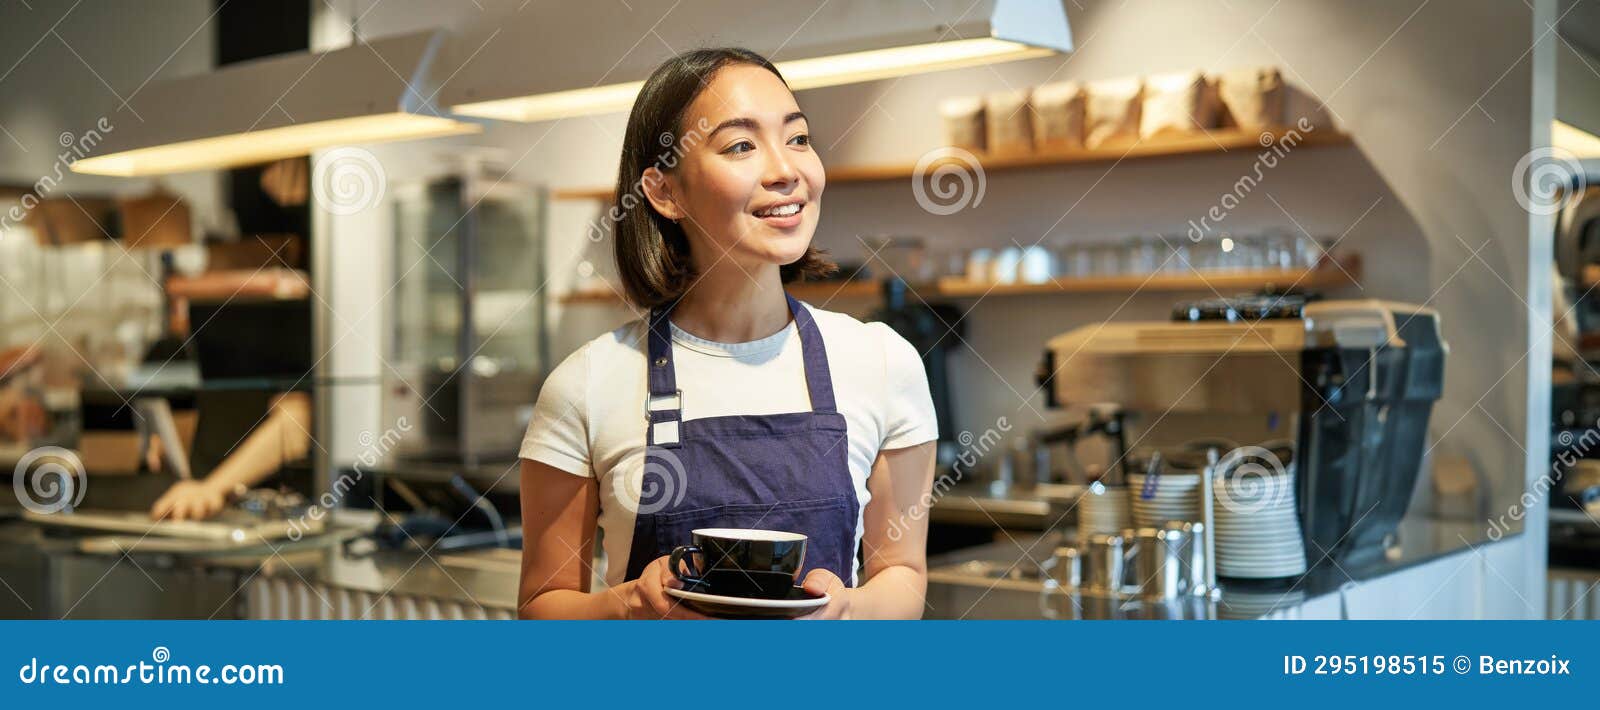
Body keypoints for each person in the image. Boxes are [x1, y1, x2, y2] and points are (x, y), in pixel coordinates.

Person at [517, 48, 938, 619]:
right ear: (665, 192)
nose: (786, 170)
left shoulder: (885, 363)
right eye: (741, 145)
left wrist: (846, 613)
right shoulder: (586, 383)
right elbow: (543, 607)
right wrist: (630, 608)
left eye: (797, 138)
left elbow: (903, 577)